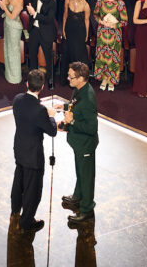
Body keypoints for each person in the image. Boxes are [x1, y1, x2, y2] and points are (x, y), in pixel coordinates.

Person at [10, 68, 58, 235]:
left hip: (19, 148)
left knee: (19, 180)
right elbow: (52, 131)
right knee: (33, 190)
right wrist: (50, 115)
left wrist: (42, 110)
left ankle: (15, 209)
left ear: (27, 84)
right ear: (42, 87)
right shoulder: (40, 111)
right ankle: (27, 221)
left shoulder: (17, 100)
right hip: (33, 155)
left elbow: (29, 112)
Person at [59, 60, 98, 227]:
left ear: (81, 78)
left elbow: (91, 128)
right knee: (81, 172)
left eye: (71, 77)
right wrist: (65, 105)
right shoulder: (79, 90)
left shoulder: (88, 97)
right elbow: (76, 105)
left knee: (87, 176)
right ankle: (78, 196)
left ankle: (87, 209)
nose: (68, 79)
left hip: (86, 144)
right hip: (78, 143)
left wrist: (72, 121)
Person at [92, 0, 125, 91]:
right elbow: (95, 15)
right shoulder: (100, 1)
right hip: (102, 32)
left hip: (115, 35)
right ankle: (104, 79)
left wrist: (115, 25)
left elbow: (125, 21)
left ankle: (112, 80)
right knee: (102, 56)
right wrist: (101, 21)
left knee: (113, 58)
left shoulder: (120, 3)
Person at [0, 0, 25, 85]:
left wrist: (4, 7)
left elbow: (12, 16)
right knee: (7, 48)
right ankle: (9, 75)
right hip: (7, 25)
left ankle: (15, 77)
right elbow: (5, 3)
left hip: (14, 27)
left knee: (13, 51)